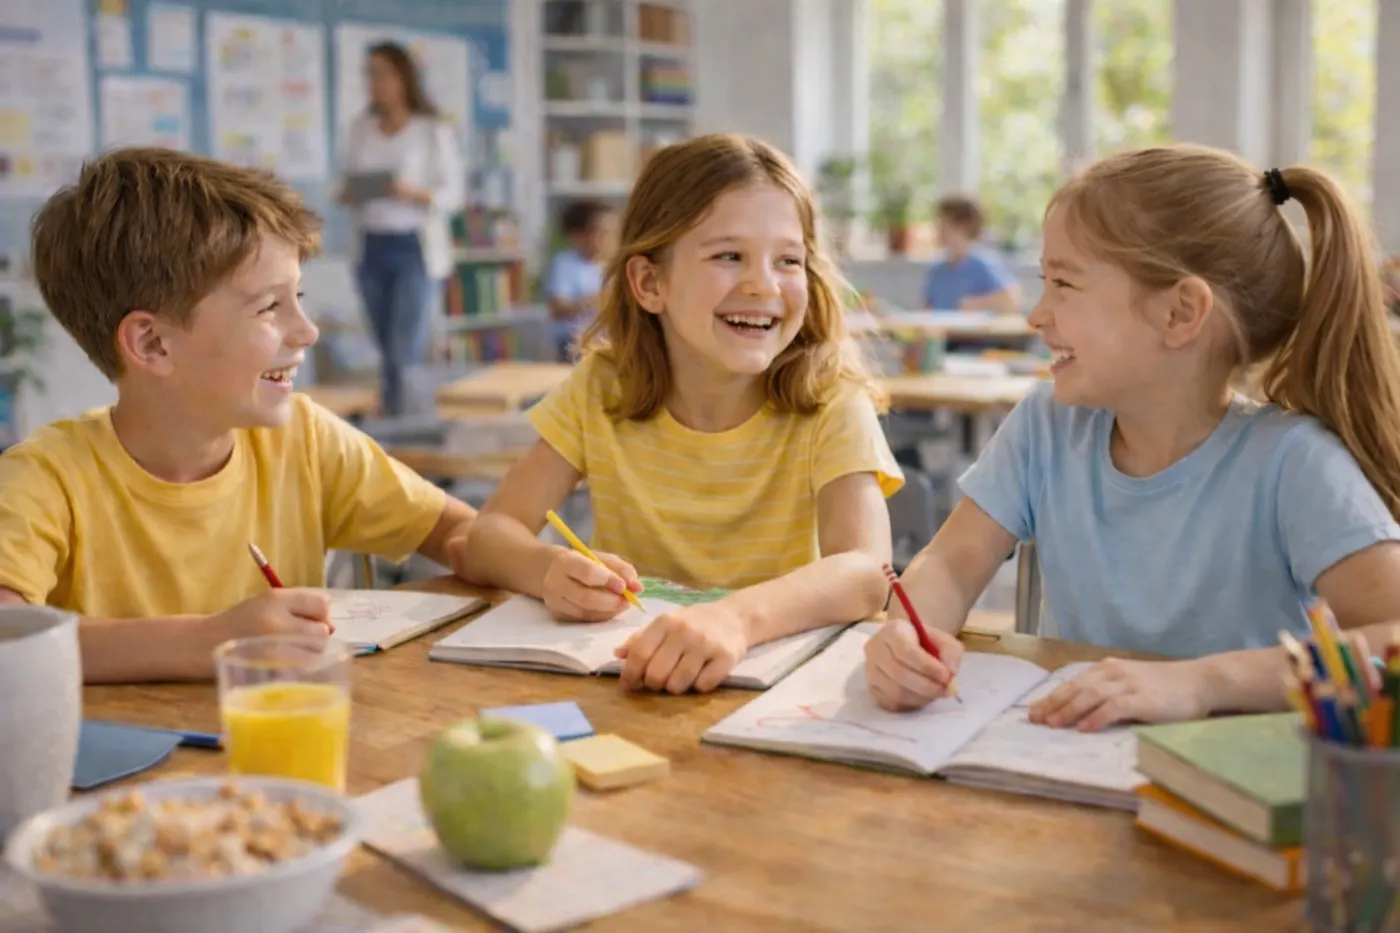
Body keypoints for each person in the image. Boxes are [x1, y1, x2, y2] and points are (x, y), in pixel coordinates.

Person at [864, 144, 1400, 731]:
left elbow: (1392, 639)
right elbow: (951, 562)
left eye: (1064, 284)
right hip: (1072, 762)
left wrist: (1201, 683)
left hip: (1230, 788)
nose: (1036, 316)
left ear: (1180, 313)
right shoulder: (1046, 426)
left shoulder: (1293, 464)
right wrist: (908, 635)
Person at [0, 147, 478, 684]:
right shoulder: (45, 478)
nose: (307, 331)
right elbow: (10, 637)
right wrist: (205, 641)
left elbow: (458, 534)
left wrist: (544, 566)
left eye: (295, 296)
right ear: (153, 342)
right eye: (269, 307)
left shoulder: (306, 440)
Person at [462, 133, 904, 695]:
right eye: (729, 256)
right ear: (650, 283)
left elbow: (866, 572)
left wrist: (734, 619)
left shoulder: (830, 400)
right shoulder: (602, 388)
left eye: (788, 260)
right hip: (632, 684)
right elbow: (488, 536)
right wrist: (547, 571)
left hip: (768, 692)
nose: (763, 285)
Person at [338, 41, 463, 416]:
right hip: (371, 246)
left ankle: (408, 429)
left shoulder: (431, 130)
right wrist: (352, 192)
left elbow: (452, 193)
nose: (376, 82)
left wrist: (409, 193)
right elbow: (346, 182)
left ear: (404, 77)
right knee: (385, 349)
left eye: (383, 73)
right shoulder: (361, 129)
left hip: (413, 247)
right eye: (370, 74)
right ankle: (397, 427)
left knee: (404, 350)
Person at [545, 200, 618, 362]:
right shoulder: (565, 263)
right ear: (578, 235)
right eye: (602, 232)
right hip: (574, 342)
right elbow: (558, 307)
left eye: (612, 232)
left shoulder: (615, 265)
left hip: (609, 341)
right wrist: (600, 299)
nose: (609, 239)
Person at [921, 194, 1020, 313]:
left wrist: (975, 304)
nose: (938, 230)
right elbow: (928, 307)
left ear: (964, 226)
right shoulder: (938, 269)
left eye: (944, 224)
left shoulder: (982, 264)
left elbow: (1011, 297)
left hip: (972, 330)